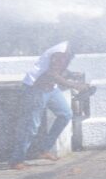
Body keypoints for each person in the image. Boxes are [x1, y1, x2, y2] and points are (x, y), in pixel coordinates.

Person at [9, 41, 89, 170]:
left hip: (50, 88)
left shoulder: (66, 51)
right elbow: (51, 74)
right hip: (36, 88)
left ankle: (44, 149)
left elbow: (57, 69)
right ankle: (16, 160)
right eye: (83, 45)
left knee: (66, 114)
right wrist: (75, 85)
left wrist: (70, 74)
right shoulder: (61, 52)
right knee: (31, 125)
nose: (84, 48)